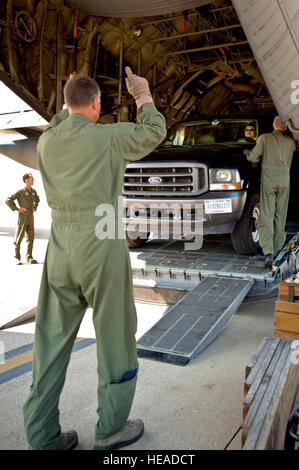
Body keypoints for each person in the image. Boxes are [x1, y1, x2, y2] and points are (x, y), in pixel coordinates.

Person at [22, 69, 166, 450]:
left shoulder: (47, 142)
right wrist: (143, 94)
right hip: (101, 245)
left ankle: (42, 437)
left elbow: (59, 120)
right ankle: (111, 429)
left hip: (60, 248)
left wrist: (70, 96)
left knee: (49, 345)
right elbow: (154, 131)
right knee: (116, 339)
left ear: (68, 103)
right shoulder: (109, 137)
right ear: (97, 103)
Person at [244, 116, 296, 269]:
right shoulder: (290, 143)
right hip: (284, 183)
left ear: (273, 125)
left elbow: (253, 157)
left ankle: (268, 252)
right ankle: (278, 246)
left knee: (267, 214)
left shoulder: (264, 138)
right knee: (281, 215)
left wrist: (246, 152)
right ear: (285, 128)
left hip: (269, 183)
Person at [6, 173, 40, 265]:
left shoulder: (33, 191)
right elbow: (9, 199)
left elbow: (37, 200)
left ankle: (29, 257)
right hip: (23, 217)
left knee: (31, 237)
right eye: (31, 178)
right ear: (26, 180)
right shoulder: (21, 192)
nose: (33, 180)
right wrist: (17, 209)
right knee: (20, 236)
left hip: (30, 217)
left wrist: (34, 207)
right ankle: (17, 257)